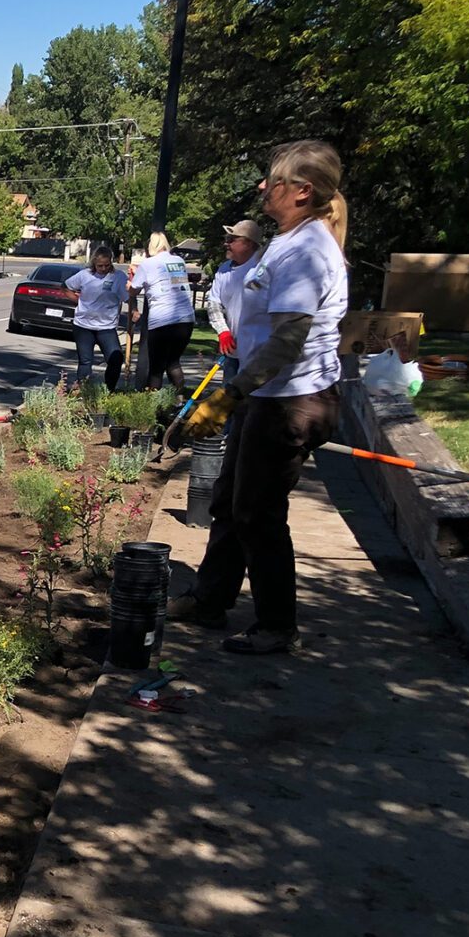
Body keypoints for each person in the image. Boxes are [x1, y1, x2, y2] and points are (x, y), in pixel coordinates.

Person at [167, 140, 349, 655]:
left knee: (257, 514)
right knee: (229, 501)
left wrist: (228, 397)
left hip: (289, 400)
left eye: (273, 180)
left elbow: (288, 343)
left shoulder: (309, 252)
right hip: (267, 393)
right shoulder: (289, 242)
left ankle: (276, 626)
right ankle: (209, 601)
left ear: (302, 191)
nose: (263, 187)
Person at [127, 231, 196, 393]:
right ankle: (180, 399)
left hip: (162, 319)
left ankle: (151, 403)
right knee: (173, 362)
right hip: (185, 319)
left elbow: (134, 291)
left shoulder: (148, 264)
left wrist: (130, 283)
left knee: (157, 367)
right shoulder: (178, 261)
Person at [206, 219, 263, 378]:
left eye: (232, 240)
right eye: (226, 239)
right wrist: (223, 332)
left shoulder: (262, 268)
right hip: (233, 352)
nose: (226, 243)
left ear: (249, 244)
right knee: (228, 399)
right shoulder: (224, 269)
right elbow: (214, 303)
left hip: (257, 353)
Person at [69, 246, 128, 385]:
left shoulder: (118, 277)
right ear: (94, 263)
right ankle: (84, 390)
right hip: (83, 326)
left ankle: (109, 390)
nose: (103, 268)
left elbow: (128, 298)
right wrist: (78, 301)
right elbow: (66, 287)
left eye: (106, 265)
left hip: (106, 327)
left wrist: (134, 310)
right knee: (85, 361)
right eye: (99, 265)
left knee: (115, 359)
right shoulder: (85, 275)